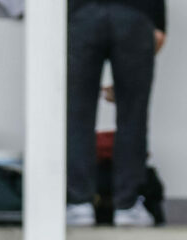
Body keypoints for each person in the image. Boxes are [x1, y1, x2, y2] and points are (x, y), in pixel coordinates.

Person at [66, 0, 166, 227]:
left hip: (82, 14)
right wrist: (160, 23)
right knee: (133, 115)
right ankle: (128, 206)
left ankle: (79, 204)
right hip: (136, 12)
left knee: (77, 116)